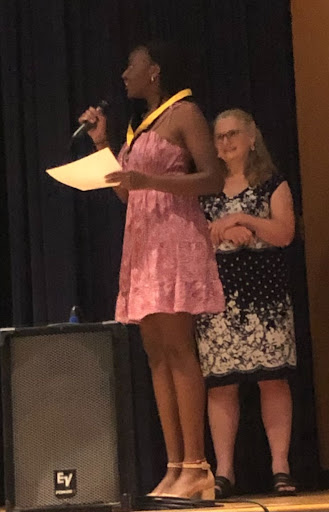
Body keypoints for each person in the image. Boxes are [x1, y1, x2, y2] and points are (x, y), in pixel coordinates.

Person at [78, 41, 225, 499]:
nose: (125, 75)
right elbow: (128, 194)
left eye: (132, 66)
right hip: (142, 244)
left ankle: (199, 469)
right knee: (156, 353)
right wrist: (103, 144)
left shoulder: (186, 114)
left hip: (176, 239)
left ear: (155, 70)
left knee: (179, 349)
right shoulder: (136, 130)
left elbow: (213, 178)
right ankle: (176, 464)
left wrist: (150, 181)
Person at [195, 109, 297, 498]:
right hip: (220, 299)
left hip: (266, 299)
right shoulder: (206, 188)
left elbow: (285, 232)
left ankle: (281, 467)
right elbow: (194, 237)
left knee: (273, 379)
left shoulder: (273, 183)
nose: (226, 141)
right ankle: (223, 471)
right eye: (219, 136)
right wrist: (225, 232)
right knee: (221, 386)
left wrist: (245, 220)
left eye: (233, 133)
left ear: (252, 137)